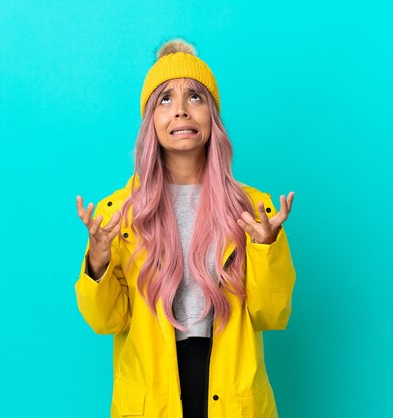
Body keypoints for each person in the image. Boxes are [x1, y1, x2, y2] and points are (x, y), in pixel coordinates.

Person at [75, 38, 296, 418]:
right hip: (152, 397)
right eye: (165, 99)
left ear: (213, 115)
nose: (180, 111)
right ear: (150, 122)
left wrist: (266, 247)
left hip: (229, 390)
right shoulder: (119, 213)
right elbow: (106, 321)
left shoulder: (253, 210)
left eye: (195, 97)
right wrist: (97, 261)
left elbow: (271, 315)